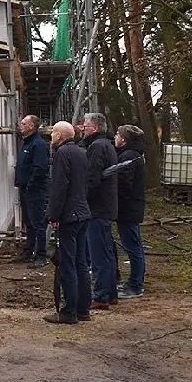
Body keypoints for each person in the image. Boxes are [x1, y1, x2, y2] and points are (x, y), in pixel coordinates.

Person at [44, 121, 93, 324]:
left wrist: (53, 215)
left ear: (60, 136)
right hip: (82, 213)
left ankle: (68, 310)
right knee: (81, 263)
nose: (51, 136)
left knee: (67, 264)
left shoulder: (62, 154)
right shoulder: (81, 152)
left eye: (53, 132)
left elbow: (59, 187)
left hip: (69, 215)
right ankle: (83, 309)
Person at [79, 112, 119, 310]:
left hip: (97, 208)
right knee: (106, 251)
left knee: (98, 253)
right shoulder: (107, 145)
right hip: (105, 206)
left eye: (85, 126)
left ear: (94, 128)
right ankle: (110, 293)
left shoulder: (97, 147)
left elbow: (92, 178)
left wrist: (82, 200)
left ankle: (101, 295)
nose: (82, 128)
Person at [113, 124, 147, 299]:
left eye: (118, 135)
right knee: (134, 245)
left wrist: (116, 203)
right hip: (132, 207)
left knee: (133, 246)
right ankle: (135, 281)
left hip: (128, 209)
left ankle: (135, 284)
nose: (115, 137)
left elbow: (124, 184)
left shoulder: (128, 157)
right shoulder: (135, 155)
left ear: (124, 139)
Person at [15, 115, 50, 267]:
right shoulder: (27, 143)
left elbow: (40, 168)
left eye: (23, 123)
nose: (20, 126)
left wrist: (30, 185)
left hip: (35, 190)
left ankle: (41, 254)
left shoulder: (38, 144)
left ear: (31, 126)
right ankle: (29, 250)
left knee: (37, 222)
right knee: (29, 221)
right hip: (25, 188)